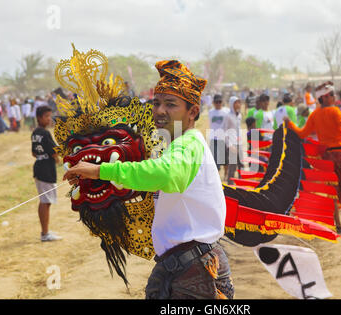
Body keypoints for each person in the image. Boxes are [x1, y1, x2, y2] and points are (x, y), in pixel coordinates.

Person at [63, 60, 234, 299]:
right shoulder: (175, 146)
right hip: (183, 265)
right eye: (157, 103)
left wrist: (100, 171)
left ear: (192, 111)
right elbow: (151, 178)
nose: (160, 110)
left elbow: (163, 174)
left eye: (170, 104)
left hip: (195, 270)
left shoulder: (189, 144)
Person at [285, 81, 341, 234]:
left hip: (326, 159)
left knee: (332, 192)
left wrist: (290, 124)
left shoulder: (315, 115)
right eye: (331, 95)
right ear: (324, 98)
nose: (334, 97)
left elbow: (302, 134)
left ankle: (338, 225)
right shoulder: (335, 112)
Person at [32, 106, 61, 241]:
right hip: (46, 169)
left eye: (50, 116)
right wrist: (57, 159)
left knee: (45, 201)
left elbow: (33, 153)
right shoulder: (44, 133)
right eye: (46, 116)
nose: (49, 119)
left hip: (39, 166)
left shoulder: (35, 132)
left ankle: (45, 231)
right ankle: (45, 233)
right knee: (45, 201)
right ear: (39, 117)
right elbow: (54, 151)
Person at [223, 96, 243, 184]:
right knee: (232, 166)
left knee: (241, 164)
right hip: (232, 144)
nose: (238, 104)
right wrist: (229, 145)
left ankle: (241, 183)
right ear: (232, 104)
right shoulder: (228, 116)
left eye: (239, 102)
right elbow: (225, 131)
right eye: (236, 102)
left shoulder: (239, 115)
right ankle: (230, 184)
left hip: (239, 142)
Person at [208, 94, 229, 174]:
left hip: (223, 138)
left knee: (225, 160)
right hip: (214, 139)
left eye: (220, 102)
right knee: (214, 160)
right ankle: (216, 177)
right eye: (216, 102)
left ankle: (226, 175)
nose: (218, 104)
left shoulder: (226, 111)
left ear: (222, 102)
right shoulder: (210, 112)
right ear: (213, 102)